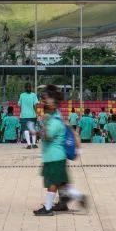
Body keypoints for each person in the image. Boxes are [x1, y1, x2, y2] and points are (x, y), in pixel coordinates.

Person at [34, 85, 87, 216]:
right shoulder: (56, 115)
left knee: (52, 182)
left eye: (47, 99)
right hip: (55, 156)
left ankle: (48, 208)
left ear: (54, 102)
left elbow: (47, 135)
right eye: (43, 99)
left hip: (54, 157)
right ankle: (76, 197)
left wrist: (39, 129)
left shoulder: (54, 120)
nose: (44, 101)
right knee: (62, 184)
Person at [18, 83, 40, 149]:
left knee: (26, 130)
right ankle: (34, 144)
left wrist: (21, 113)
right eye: (29, 87)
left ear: (25, 88)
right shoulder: (33, 95)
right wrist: (37, 114)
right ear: (31, 88)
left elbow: (20, 105)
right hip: (32, 115)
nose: (29, 88)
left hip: (24, 115)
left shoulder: (22, 95)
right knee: (32, 129)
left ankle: (28, 144)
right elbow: (35, 105)